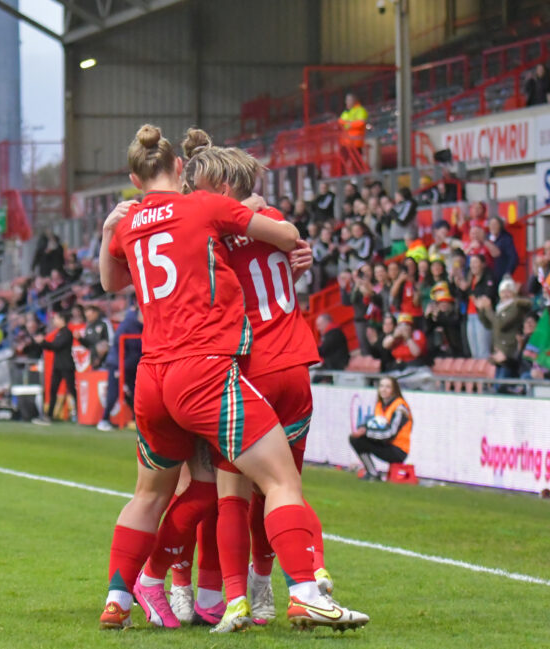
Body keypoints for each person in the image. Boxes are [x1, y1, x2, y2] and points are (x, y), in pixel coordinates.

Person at [98, 124, 367, 633]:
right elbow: (284, 236)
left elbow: (111, 281)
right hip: (214, 368)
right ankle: (286, 591)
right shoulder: (203, 208)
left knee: (174, 492)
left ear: (135, 177)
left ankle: (130, 593)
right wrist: (270, 220)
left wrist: (109, 230)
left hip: (155, 374)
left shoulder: (132, 222)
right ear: (180, 169)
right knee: (272, 483)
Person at [350, 377, 411, 481]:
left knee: (360, 438)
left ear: (394, 389)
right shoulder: (380, 405)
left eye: (388, 387)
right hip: (385, 443)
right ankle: (372, 472)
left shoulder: (400, 408)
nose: (383, 389)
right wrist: (363, 428)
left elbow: (390, 433)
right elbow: (374, 424)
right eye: (381, 386)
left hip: (398, 450)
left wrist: (366, 432)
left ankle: (373, 474)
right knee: (355, 439)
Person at [97, 304, 142, 432]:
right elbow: (119, 344)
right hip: (119, 363)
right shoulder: (128, 324)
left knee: (136, 393)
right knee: (113, 392)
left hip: (132, 364)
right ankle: (104, 419)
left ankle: (138, 420)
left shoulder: (141, 325)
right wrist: (119, 367)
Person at [478, 279, 531, 387]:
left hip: (508, 352)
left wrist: (488, 309)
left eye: (508, 291)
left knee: (502, 385)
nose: (506, 294)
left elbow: (500, 324)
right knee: (497, 384)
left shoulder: (515, 307)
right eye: (503, 291)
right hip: (498, 352)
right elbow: (489, 325)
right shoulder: (499, 307)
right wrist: (481, 310)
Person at [36, 310, 77, 423]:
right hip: (58, 365)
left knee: (72, 390)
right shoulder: (59, 332)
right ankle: (49, 415)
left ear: (62, 320)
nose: (54, 320)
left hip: (66, 365)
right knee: (53, 390)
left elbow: (57, 346)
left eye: (56, 318)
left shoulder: (67, 333)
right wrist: (43, 343)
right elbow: (53, 346)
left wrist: (43, 342)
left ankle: (80, 413)